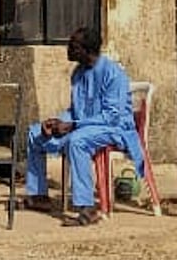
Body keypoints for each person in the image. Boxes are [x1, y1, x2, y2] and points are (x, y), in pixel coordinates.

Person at [24, 26, 143, 226]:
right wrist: (56, 122)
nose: (68, 50)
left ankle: (87, 209)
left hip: (114, 129)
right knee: (35, 133)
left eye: (73, 46)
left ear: (87, 51)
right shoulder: (78, 73)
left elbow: (111, 116)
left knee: (77, 141)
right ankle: (39, 196)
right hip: (85, 125)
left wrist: (73, 125)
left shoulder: (113, 74)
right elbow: (75, 109)